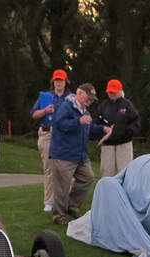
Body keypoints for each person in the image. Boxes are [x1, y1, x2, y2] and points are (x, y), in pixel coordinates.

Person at [47, 82, 107, 225]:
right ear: (79, 94)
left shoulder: (85, 112)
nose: (90, 101)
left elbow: (88, 129)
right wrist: (78, 121)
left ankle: (72, 205)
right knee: (62, 186)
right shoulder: (66, 107)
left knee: (88, 177)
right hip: (64, 154)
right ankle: (59, 215)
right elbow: (60, 124)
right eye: (88, 98)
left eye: (92, 99)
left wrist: (103, 129)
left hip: (80, 155)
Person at [31, 69, 68, 213]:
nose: (59, 83)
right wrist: (45, 111)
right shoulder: (46, 96)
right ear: (53, 82)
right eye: (57, 80)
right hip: (47, 133)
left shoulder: (70, 97)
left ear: (65, 82)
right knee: (49, 169)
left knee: (64, 168)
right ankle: (49, 201)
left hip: (64, 134)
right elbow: (34, 114)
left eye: (61, 80)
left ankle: (63, 200)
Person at [96, 79, 139, 178]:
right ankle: (107, 193)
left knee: (125, 174)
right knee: (106, 174)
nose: (112, 94)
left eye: (114, 91)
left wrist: (127, 133)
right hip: (107, 144)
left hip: (124, 144)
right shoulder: (103, 106)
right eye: (110, 92)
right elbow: (96, 121)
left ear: (120, 91)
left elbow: (135, 121)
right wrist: (102, 131)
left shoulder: (127, 105)